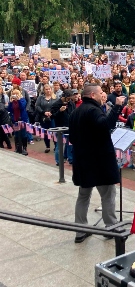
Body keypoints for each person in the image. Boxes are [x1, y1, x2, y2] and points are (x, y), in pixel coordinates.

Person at [68, 84, 124, 243]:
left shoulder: (75, 112)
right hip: (99, 163)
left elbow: (72, 138)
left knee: (83, 195)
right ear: (92, 95)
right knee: (108, 194)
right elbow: (105, 126)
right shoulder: (93, 110)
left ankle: (80, 230)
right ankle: (110, 227)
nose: (103, 95)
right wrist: (117, 107)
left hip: (82, 161)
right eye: (101, 93)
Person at [35, 83, 57, 153]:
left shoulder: (55, 98)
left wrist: (51, 112)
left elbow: (57, 107)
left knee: (54, 133)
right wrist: (43, 112)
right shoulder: (40, 98)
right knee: (45, 133)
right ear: (44, 90)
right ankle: (47, 146)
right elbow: (37, 106)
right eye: (46, 89)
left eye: (49, 89)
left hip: (52, 118)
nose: (48, 91)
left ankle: (56, 146)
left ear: (51, 89)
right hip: (43, 118)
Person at [7, 89, 29, 155]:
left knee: (23, 134)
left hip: (22, 119)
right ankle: (17, 147)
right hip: (15, 120)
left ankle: (24, 148)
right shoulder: (12, 101)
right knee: (16, 134)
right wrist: (10, 102)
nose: (15, 95)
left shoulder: (22, 100)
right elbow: (9, 109)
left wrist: (18, 100)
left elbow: (22, 107)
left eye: (17, 93)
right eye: (14, 94)